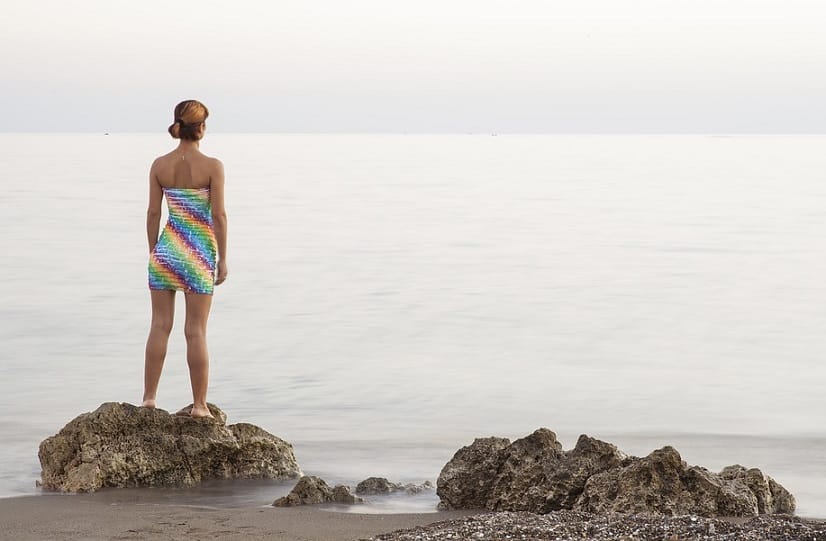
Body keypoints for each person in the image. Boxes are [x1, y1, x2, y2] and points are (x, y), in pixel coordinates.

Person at [142, 100, 228, 418]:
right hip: (199, 255)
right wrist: (222, 259)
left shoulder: (159, 165)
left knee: (159, 326)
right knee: (196, 332)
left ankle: (149, 399)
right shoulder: (213, 166)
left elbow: (153, 213)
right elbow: (218, 215)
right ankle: (200, 406)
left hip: (167, 250)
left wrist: (154, 250)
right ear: (201, 127)